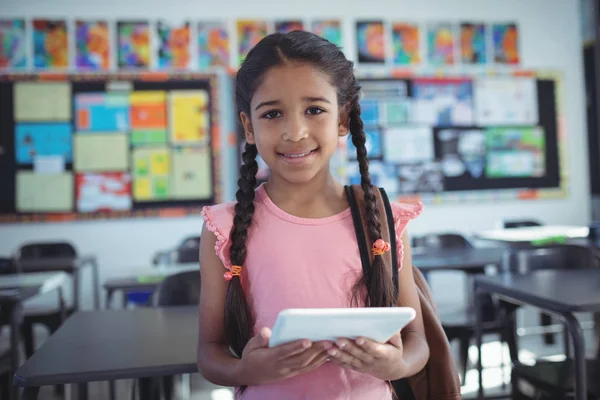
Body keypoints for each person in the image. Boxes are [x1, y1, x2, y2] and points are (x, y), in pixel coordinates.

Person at [197, 30, 429, 400]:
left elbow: (417, 342)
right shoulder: (223, 229)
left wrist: (396, 365)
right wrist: (244, 370)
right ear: (248, 127)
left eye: (314, 110)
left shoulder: (382, 219)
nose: (295, 132)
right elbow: (209, 353)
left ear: (342, 120)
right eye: (272, 113)